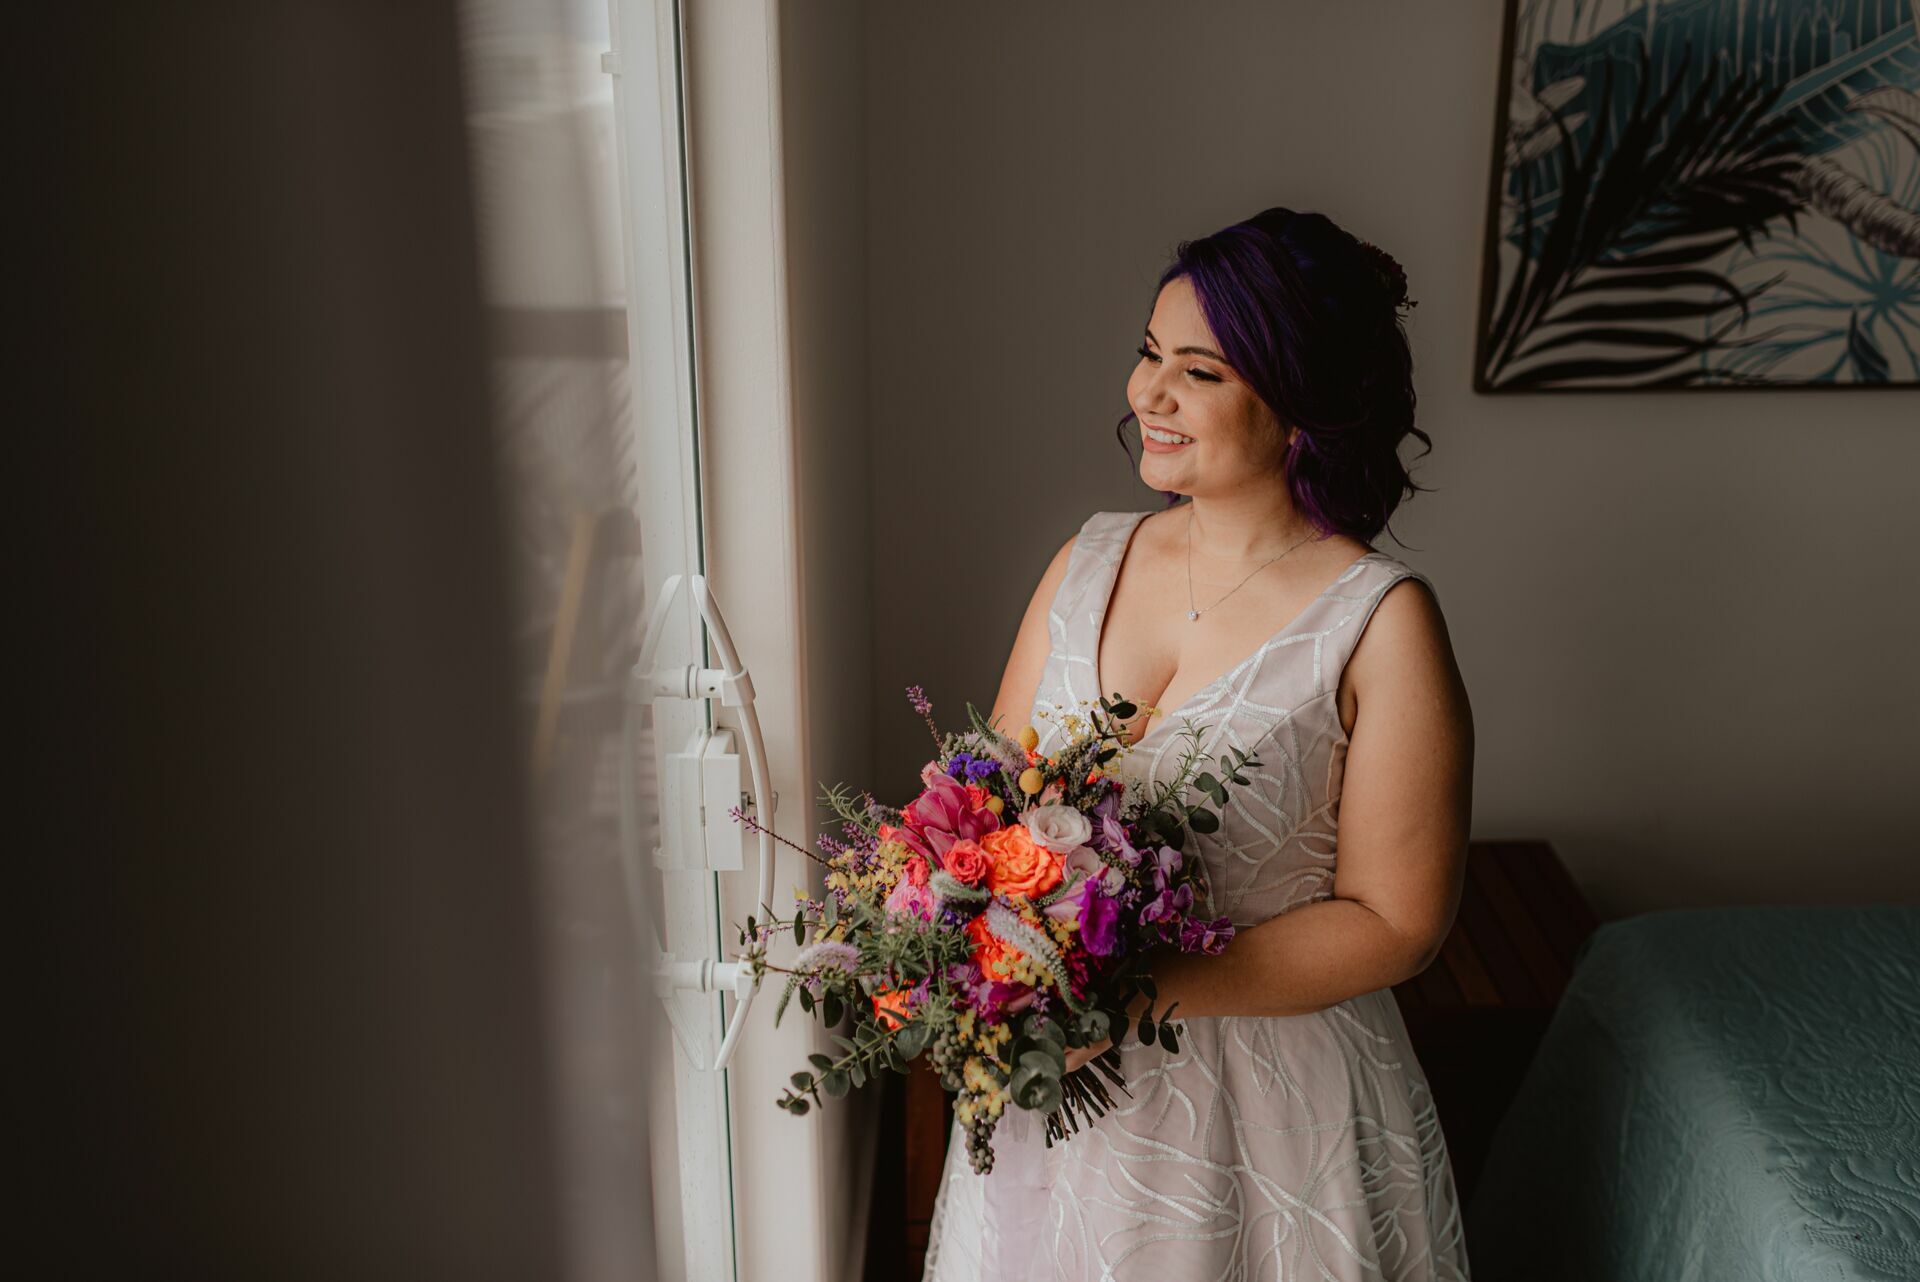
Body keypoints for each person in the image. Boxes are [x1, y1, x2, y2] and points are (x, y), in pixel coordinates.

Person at [920, 207, 1475, 1281]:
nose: (1147, 395)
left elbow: (1400, 921)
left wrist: (1126, 993)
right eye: (1146, 354)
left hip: (1273, 1108)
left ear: (1300, 403)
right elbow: (980, 808)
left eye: (1199, 372)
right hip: (1062, 1104)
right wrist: (963, 949)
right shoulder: (1086, 561)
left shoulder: (1381, 618)